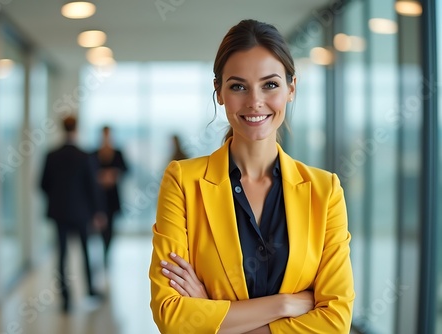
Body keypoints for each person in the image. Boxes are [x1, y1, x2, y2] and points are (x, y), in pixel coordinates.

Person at [149, 19, 354, 333]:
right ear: (219, 92)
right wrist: (285, 305)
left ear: (291, 89)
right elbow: (172, 317)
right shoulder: (182, 182)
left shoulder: (324, 191)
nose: (254, 101)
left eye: (270, 84)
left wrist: (216, 317)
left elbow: (335, 321)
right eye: (238, 86)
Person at [40, 115, 106, 312]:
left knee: (61, 254)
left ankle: (65, 299)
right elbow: (92, 187)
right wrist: (98, 211)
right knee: (86, 250)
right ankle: (90, 290)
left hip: (59, 212)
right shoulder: (85, 156)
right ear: (76, 129)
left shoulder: (51, 155)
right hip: (81, 212)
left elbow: (42, 185)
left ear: (62, 129)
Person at [91, 126, 127, 268]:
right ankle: (102, 252)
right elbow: (89, 172)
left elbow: (125, 169)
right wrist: (99, 177)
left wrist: (114, 174)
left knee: (110, 227)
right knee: (100, 226)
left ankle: (106, 253)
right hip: (98, 197)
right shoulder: (94, 153)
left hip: (112, 197)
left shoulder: (117, 153)